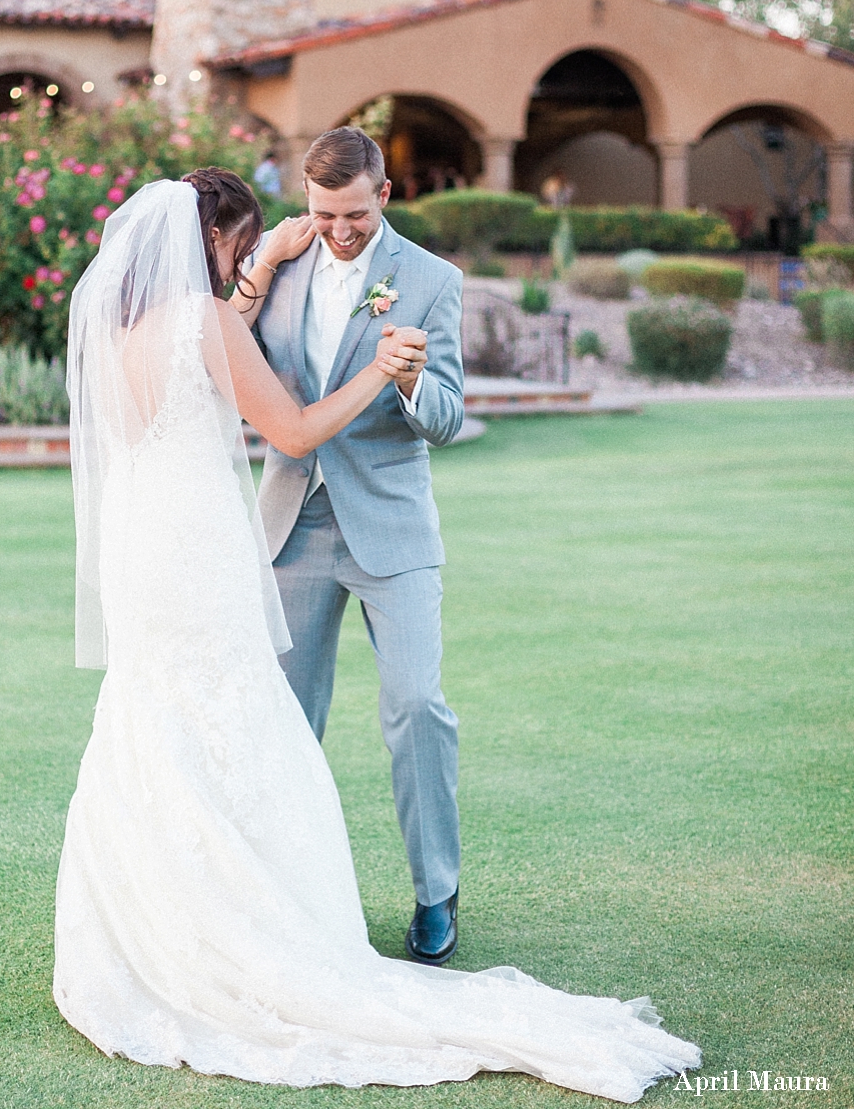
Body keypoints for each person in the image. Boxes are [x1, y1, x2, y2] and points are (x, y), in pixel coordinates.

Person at [55, 168, 701, 1099]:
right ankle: (259, 927)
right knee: (241, 720)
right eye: (240, 243)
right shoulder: (207, 319)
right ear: (212, 240)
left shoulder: (118, 329)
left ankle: (156, 929)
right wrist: (377, 367)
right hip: (202, 551)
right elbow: (294, 428)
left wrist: (259, 274)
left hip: (145, 551)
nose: (250, 254)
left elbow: (189, 389)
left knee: (160, 718)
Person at [233, 127, 463, 965]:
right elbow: (225, 350)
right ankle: (284, 893)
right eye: (322, 211)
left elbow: (447, 416)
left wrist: (408, 380)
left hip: (392, 531)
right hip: (290, 525)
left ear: (385, 196)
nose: (338, 229)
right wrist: (261, 266)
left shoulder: (433, 281)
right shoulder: (277, 260)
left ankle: (435, 890)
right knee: (285, 717)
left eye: (354, 214)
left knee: (415, 707)